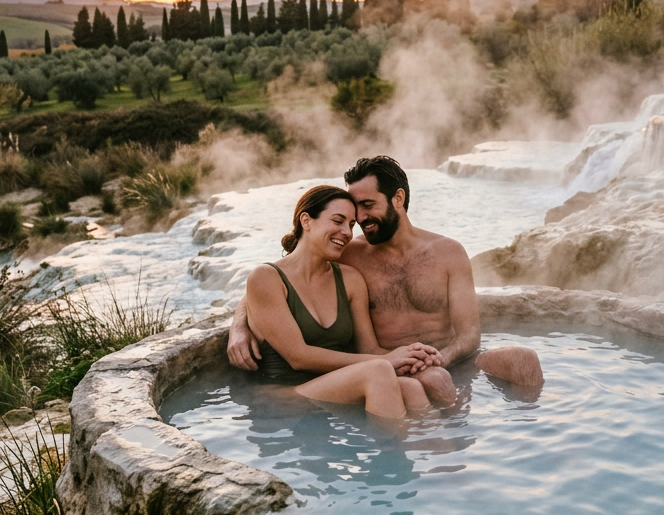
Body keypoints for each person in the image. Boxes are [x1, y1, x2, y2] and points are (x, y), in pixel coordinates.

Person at [229, 157, 543, 405]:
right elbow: (285, 274)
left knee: (524, 360)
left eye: (366, 206)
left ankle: (534, 445)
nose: (359, 221)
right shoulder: (349, 253)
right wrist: (239, 325)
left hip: (450, 360)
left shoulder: (448, 252)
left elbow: (470, 332)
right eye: (351, 214)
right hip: (390, 364)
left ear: (398, 198)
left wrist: (442, 357)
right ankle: (454, 448)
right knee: (435, 381)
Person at [237, 184, 437, 418]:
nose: (347, 232)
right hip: (286, 395)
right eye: (338, 221)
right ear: (306, 220)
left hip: (338, 387)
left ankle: (435, 452)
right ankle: (392, 453)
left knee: (411, 388)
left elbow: (369, 349)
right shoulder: (267, 277)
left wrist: (411, 355)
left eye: (351, 225)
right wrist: (386, 360)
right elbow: (298, 357)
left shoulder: (350, 279)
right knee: (378, 370)